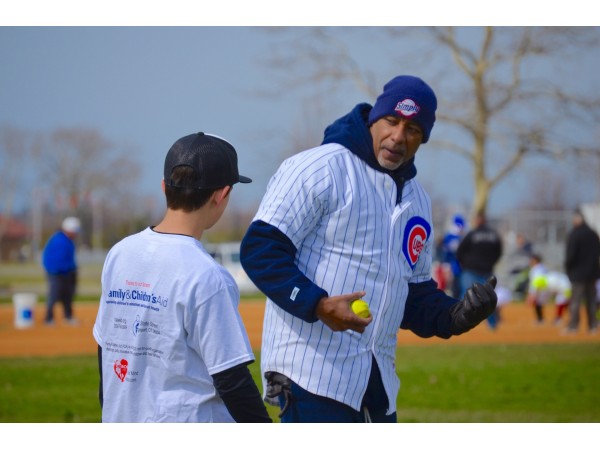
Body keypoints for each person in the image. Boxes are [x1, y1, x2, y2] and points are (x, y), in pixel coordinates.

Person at [240, 75, 498, 423]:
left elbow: (414, 294)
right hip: (311, 375)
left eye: (412, 129)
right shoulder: (320, 167)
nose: (398, 136)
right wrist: (317, 304)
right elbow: (260, 249)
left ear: (424, 138)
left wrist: (456, 315)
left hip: (376, 385)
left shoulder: (417, 199)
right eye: (392, 121)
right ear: (374, 117)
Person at [93, 132, 271, 423]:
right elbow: (232, 380)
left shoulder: (119, 254)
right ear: (222, 194)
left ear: (165, 187)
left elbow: (106, 354)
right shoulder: (207, 275)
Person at [456, 212, 503, 329]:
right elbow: (499, 252)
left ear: (477, 220)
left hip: (470, 270)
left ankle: (461, 324)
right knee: (489, 298)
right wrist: (491, 263)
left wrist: (464, 264)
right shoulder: (494, 235)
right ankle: (492, 325)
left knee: (466, 296)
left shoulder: (472, 234)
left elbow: (460, 251)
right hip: (487, 270)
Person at [564, 208, 600, 334]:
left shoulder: (575, 234)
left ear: (577, 220)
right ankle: (593, 326)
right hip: (593, 273)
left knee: (575, 301)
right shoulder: (593, 234)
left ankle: (573, 326)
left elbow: (570, 255)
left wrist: (568, 270)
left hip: (578, 274)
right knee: (591, 301)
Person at [41, 216, 81, 326]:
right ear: (69, 230)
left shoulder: (68, 240)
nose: (76, 234)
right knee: (54, 295)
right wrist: (66, 269)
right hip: (57, 273)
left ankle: (68, 317)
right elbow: (56, 259)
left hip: (66, 272)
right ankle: (48, 318)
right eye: (74, 231)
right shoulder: (59, 240)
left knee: (67, 295)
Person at [438, 214, 466, 298]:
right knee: (448, 290)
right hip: (450, 267)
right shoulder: (449, 237)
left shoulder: (461, 237)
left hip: (459, 269)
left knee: (457, 291)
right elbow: (444, 252)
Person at [525, 253, 551, 324]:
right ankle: (540, 318)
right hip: (544, 288)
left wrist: (533, 293)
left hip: (540, 289)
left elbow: (536, 281)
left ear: (535, 260)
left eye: (531, 260)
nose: (530, 261)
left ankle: (540, 319)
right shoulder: (542, 268)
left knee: (537, 303)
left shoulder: (537, 269)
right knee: (539, 303)